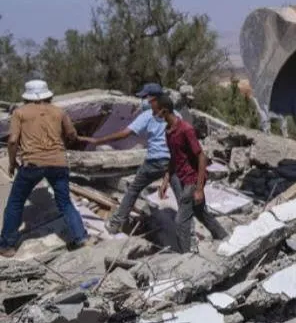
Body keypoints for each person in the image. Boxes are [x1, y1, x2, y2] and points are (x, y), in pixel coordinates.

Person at [1, 80, 91, 256]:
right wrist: (61, 145)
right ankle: (81, 237)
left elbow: (12, 141)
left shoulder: (20, 113)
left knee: (15, 203)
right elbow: (72, 134)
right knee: (65, 203)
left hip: (32, 164)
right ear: (47, 95)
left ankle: (7, 245)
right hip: (59, 164)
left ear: (27, 97)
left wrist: (12, 163)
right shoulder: (59, 112)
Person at [89, 83, 170, 235]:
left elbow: (125, 133)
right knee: (183, 198)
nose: (143, 101)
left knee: (133, 190)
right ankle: (194, 234)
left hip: (154, 162)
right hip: (173, 162)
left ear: (153, 99)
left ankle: (114, 224)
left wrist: (99, 140)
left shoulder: (147, 116)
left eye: (145, 98)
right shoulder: (175, 114)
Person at [150, 94, 228, 253]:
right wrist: (165, 181)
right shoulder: (168, 131)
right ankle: (224, 236)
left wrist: (199, 188)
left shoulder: (186, 130)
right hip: (183, 178)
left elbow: (201, 157)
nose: (154, 116)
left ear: (164, 111)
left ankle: (186, 257)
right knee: (200, 212)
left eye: (155, 112)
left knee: (180, 222)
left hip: (193, 180)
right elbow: (174, 157)